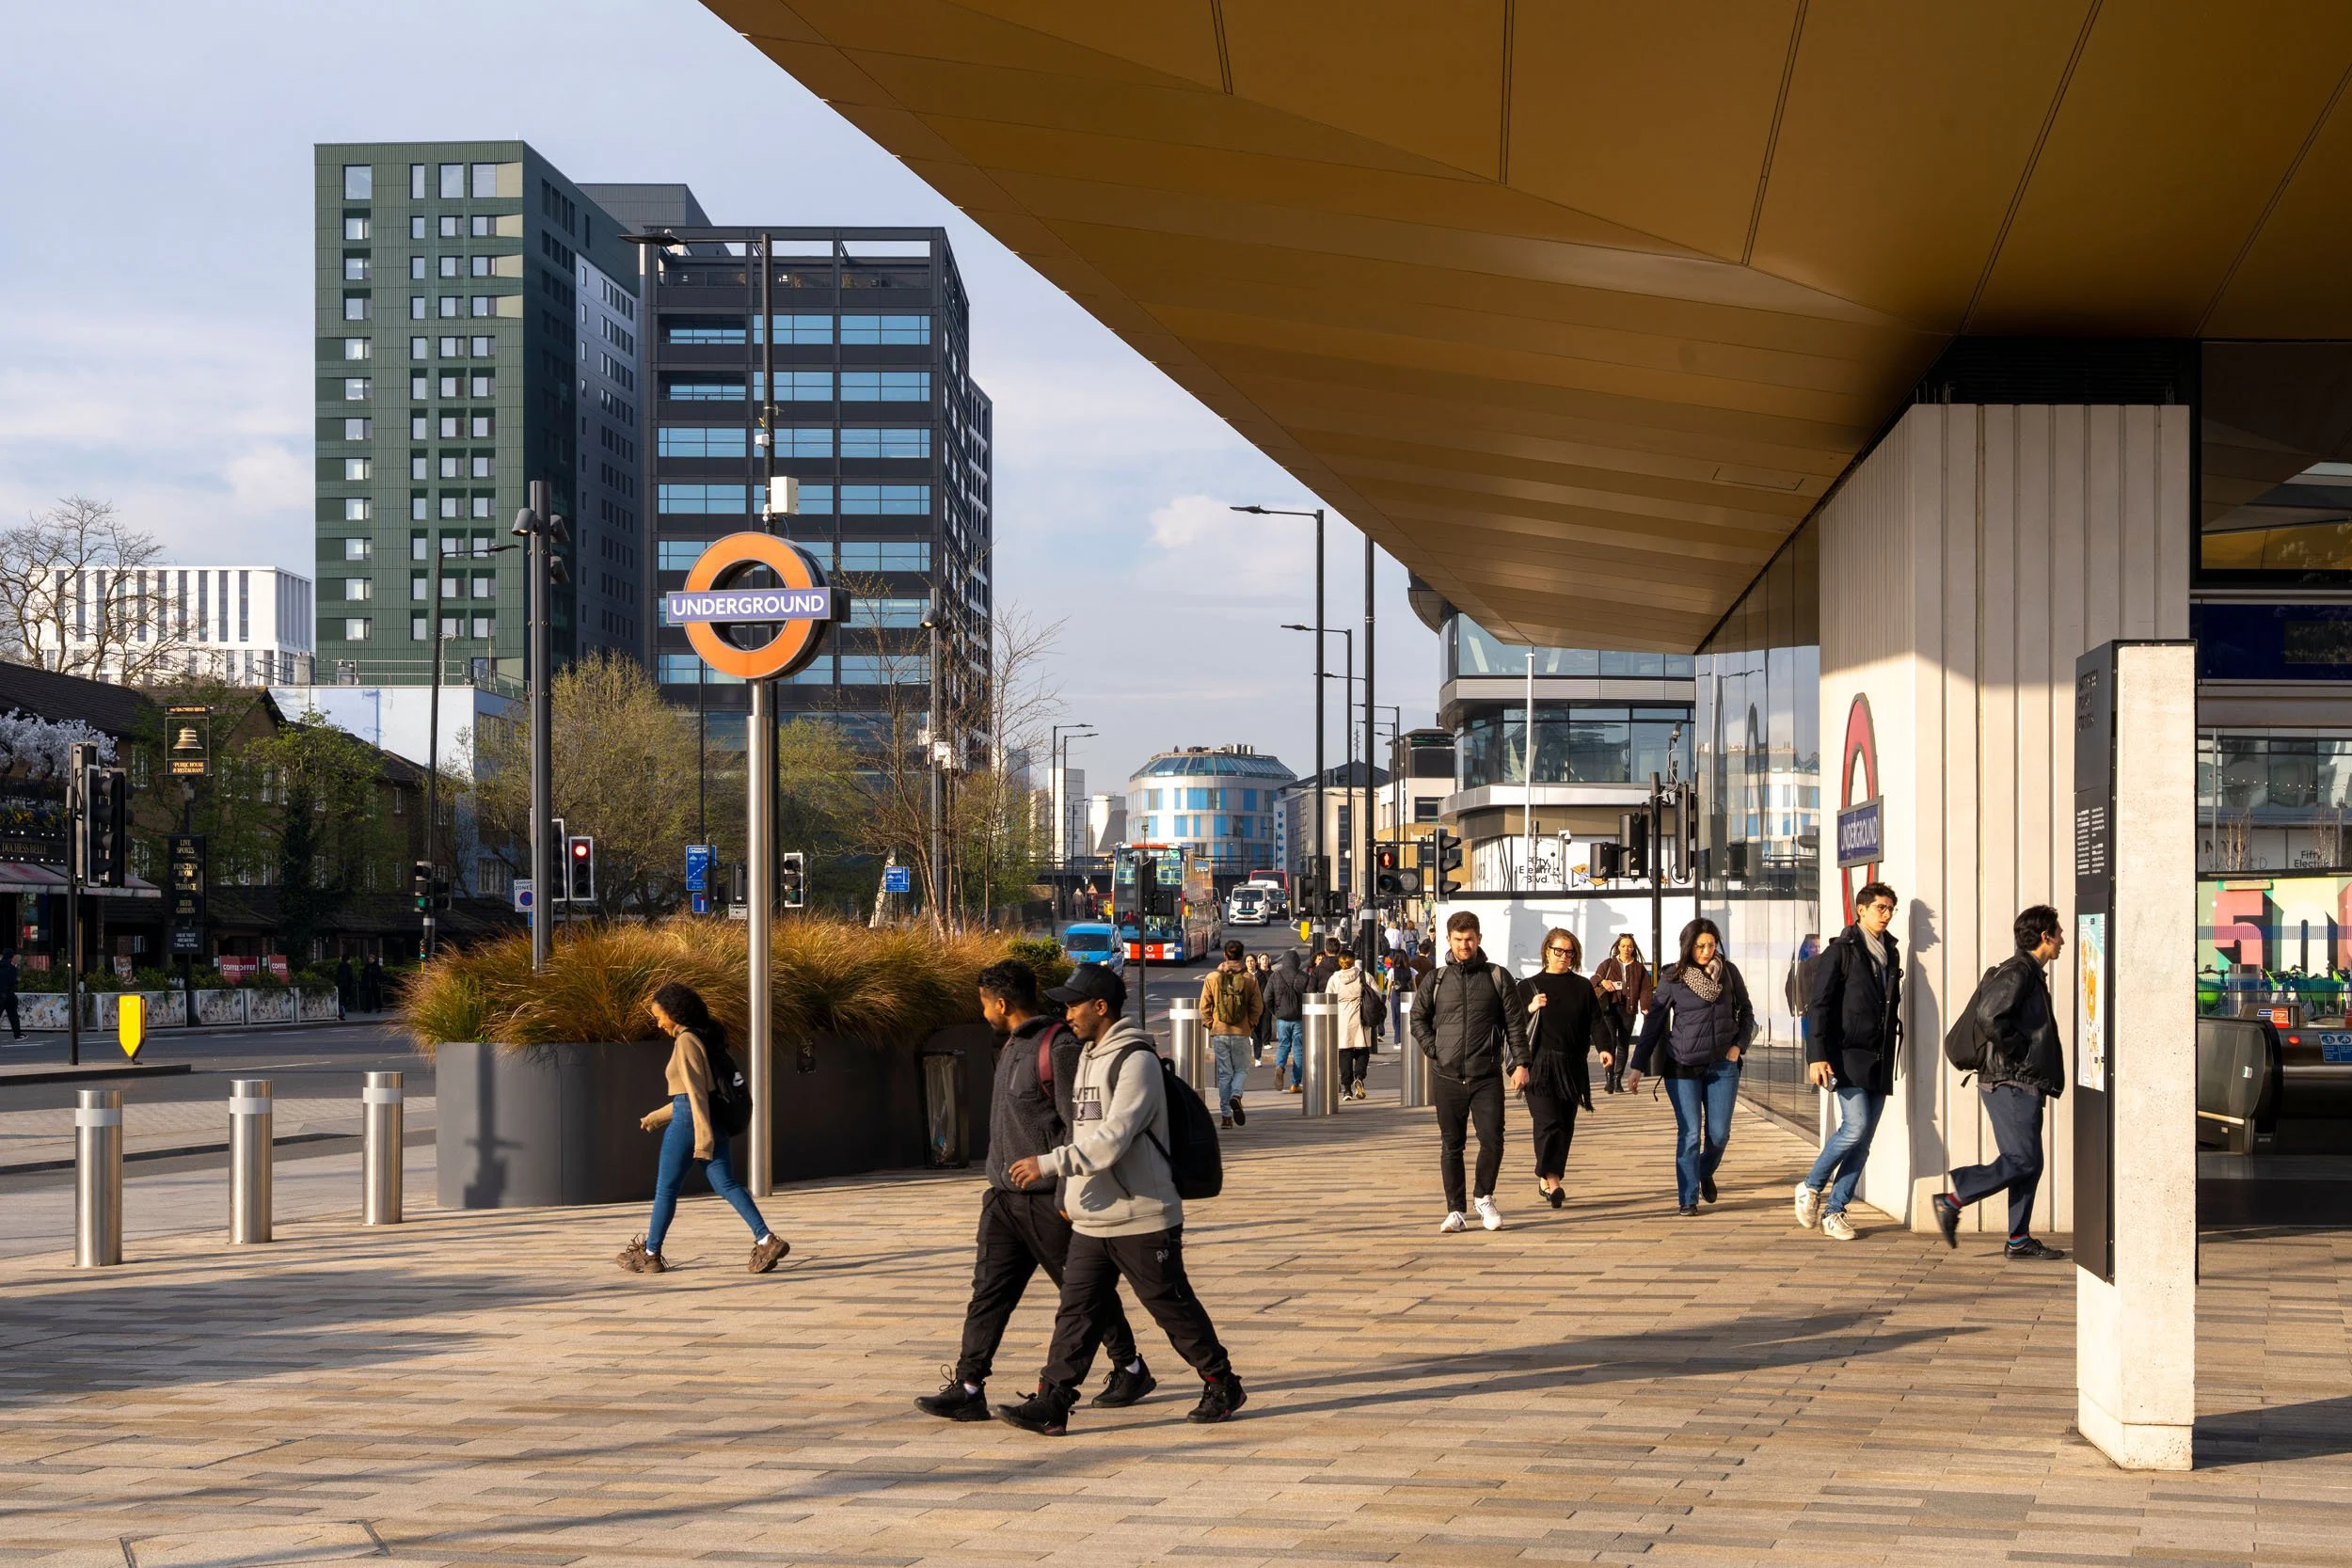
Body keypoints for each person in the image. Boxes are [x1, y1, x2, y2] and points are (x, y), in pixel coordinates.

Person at [996, 962, 1248, 1433]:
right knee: (1076, 1312)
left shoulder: (1137, 1061)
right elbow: (1082, 1128)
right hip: (1094, 1218)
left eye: (1073, 1004)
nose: (1066, 1013)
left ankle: (1221, 1381)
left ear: (1100, 1006)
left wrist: (1048, 1166)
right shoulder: (1089, 1055)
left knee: (1171, 1307)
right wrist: (1070, 1194)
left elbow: (1112, 1138)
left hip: (1142, 1215)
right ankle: (1053, 1402)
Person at [916, 960, 1150, 1422]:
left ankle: (1130, 1366)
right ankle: (968, 1386)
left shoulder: (1056, 1049)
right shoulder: (1009, 1047)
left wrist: (1065, 1190)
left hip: (1047, 1201)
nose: (981, 1012)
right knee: (989, 1293)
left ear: (1001, 1003)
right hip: (1003, 1199)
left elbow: (1077, 1124)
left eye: (983, 1003)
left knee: (1081, 1294)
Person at [616, 983, 789, 1276]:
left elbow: (694, 1096)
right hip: (708, 1118)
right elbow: (696, 1093)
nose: (659, 1023)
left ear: (675, 1013)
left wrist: (703, 1136)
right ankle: (766, 1239)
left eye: (660, 1016)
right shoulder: (705, 1036)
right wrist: (657, 1117)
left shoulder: (685, 1041)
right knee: (727, 1184)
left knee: (666, 1188)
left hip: (693, 1122)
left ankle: (650, 1254)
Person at [1932, 906, 2069, 1261]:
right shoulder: (2019, 971)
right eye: (2059, 933)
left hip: (2017, 1081)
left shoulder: (2029, 973)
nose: (2063, 940)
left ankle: (2019, 1239)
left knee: (2030, 1162)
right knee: (2022, 1160)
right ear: (2045, 937)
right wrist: (2019, 1052)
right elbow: (1990, 1015)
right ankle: (1953, 1199)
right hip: (2009, 1081)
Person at [1410, 911, 1529, 1233]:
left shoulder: (1497, 976)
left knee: (1493, 1140)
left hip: (1486, 1074)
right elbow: (1417, 1019)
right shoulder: (1435, 980)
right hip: (1447, 1075)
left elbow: (1515, 1024)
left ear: (1479, 939)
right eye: (1459, 940)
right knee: (1452, 1144)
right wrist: (1435, 1049)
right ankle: (1455, 1210)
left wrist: (1521, 1063)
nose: (1465, 945)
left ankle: (1484, 1197)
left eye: (1470, 939)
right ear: (1448, 939)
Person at [1795, 882, 1901, 1242]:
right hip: (1847, 1055)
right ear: (1861, 910)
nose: (1886, 915)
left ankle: (1835, 1211)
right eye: (1880, 908)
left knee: (1865, 1141)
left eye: (1890, 909)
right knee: (1853, 1129)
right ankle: (1810, 1185)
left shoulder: (1891, 952)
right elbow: (1819, 1006)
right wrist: (1817, 1055)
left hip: (1880, 1057)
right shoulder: (1841, 952)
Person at [1629, 918, 1754, 1216]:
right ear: (1688, 946)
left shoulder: (1729, 973)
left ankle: (1702, 1170)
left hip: (1723, 1064)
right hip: (1682, 1066)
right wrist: (1637, 1066)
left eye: (1711, 944)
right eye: (1700, 945)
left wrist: (1738, 1046)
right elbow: (1653, 1024)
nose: (1707, 950)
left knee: (1719, 1135)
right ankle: (1688, 1198)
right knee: (1689, 1134)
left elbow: (1747, 1012)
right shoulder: (1673, 978)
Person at [1516, 928, 1607, 1209]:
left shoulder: (1581, 987)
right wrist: (1530, 1008)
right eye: (1559, 951)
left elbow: (1596, 1021)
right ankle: (1552, 1181)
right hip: (1540, 1064)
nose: (1564, 957)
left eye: (1570, 953)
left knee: (1565, 1125)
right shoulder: (1528, 986)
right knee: (1548, 1121)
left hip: (1572, 1066)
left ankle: (1547, 1176)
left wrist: (1605, 1049)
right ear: (1546, 950)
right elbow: (1511, 1025)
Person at [1198, 940, 1263, 1129]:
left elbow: (1204, 1006)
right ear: (1242, 956)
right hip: (1242, 1031)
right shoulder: (1250, 979)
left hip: (1220, 1031)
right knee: (1241, 1069)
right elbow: (1257, 1006)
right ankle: (1236, 1095)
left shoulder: (1212, 978)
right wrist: (1250, 1024)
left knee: (1224, 1074)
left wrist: (1212, 1024)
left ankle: (1226, 1116)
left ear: (1225, 955)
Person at [1591, 934, 1651, 1093]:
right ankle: (1609, 1078)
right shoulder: (1608, 964)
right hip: (1609, 1008)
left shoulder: (1639, 967)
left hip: (1628, 1009)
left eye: (1629, 946)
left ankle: (1618, 1079)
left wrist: (1645, 1006)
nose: (1626, 949)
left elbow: (1646, 989)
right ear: (1618, 946)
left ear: (1633, 948)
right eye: (1623, 946)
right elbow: (1594, 979)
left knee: (1623, 1044)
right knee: (1609, 1043)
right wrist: (1602, 981)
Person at [1324, 948, 1375, 1100]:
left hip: (1342, 1019)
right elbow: (1377, 994)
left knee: (1344, 1053)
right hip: (1361, 1017)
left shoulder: (1335, 978)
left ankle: (1347, 1089)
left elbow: (1328, 997)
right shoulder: (1364, 976)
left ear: (1340, 962)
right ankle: (1359, 1076)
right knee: (1362, 1050)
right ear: (1354, 961)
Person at [1262, 948, 1311, 1092]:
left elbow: (1266, 997)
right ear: (1296, 962)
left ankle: (1280, 1065)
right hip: (1299, 1017)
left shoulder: (1276, 976)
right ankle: (1295, 1083)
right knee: (1299, 1049)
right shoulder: (1304, 977)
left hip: (1282, 1017)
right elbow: (1310, 996)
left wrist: (1275, 1011)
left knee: (1284, 1045)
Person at [0, 949, 19, 1040]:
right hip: (8, 994)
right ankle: (17, 1035)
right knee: (13, 1015)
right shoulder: (11, 967)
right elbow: (13, 981)